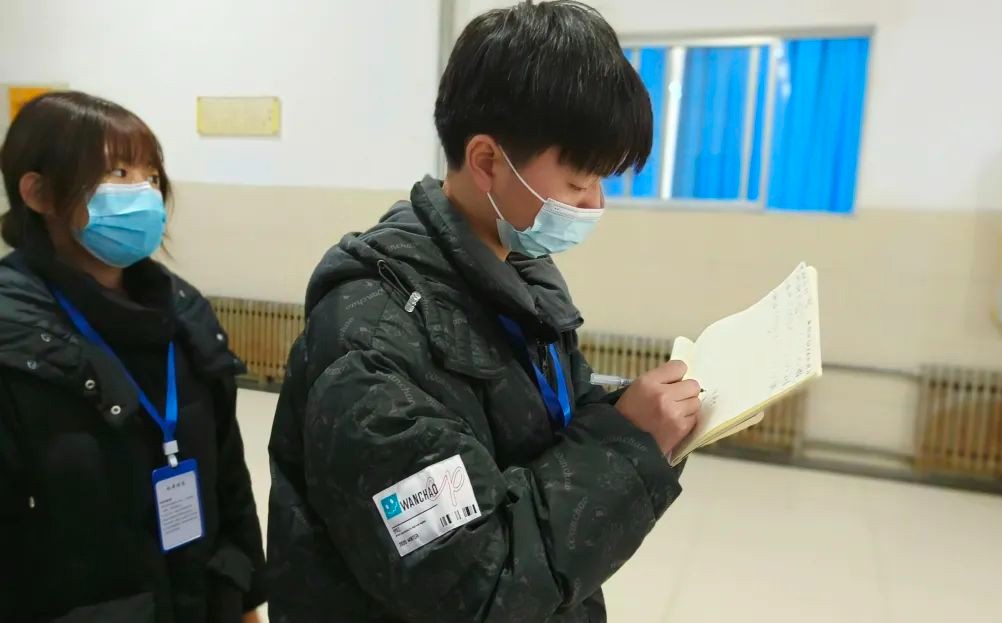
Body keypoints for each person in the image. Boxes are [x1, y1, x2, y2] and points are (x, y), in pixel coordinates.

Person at [266, 2, 701, 621]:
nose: (595, 205)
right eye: (579, 183)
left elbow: (542, 430)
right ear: (488, 161)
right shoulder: (370, 347)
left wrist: (633, 413)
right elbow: (480, 583)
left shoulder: (516, 277)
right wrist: (628, 447)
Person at [0, 91, 266, 623]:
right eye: (118, 172)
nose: (143, 191)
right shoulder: (13, 338)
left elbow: (229, 476)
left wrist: (243, 595)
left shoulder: (184, 312)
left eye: (151, 174)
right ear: (39, 193)